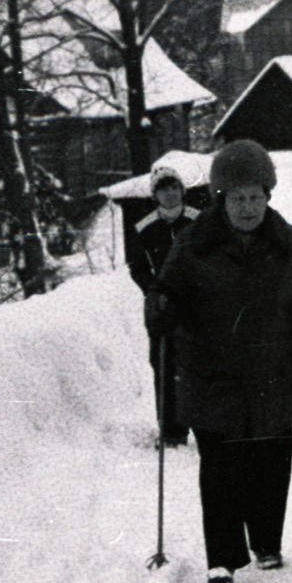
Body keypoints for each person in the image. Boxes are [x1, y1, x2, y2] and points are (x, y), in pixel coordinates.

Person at [145, 140, 292, 583]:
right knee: (221, 467)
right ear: (221, 199)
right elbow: (165, 291)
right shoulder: (194, 244)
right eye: (237, 198)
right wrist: (160, 307)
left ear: (268, 196)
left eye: (255, 197)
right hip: (213, 375)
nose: (247, 207)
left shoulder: (290, 243)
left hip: (276, 372)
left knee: (271, 460)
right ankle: (223, 557)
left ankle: (267, 542)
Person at [127, 164, 196, 446]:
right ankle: (171, 430)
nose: (170, 193)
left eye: (174, 187)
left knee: (194, 364)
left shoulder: (197, 222)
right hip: (161, 306)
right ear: (155, 195)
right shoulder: (144, 228)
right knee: (164, 364)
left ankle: (202, 423)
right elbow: (137, 266)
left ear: (182, 190)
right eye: (163, 189)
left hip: (194, 305)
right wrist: (154, 290)